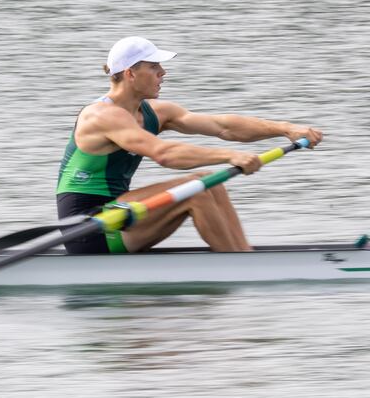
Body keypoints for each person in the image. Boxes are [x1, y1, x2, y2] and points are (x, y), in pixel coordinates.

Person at [56, 36, 322, 255]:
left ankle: (242, 254)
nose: (163, 72)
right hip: (89, 227)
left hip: (121, 213)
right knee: (194, 191)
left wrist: (285, 128)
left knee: (210, 182)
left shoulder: (155, 113)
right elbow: (164, 154)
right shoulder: (102, 115)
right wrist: (230, 156)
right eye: (154, 67)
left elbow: (223, 126)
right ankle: (239, 265)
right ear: (130, 73)